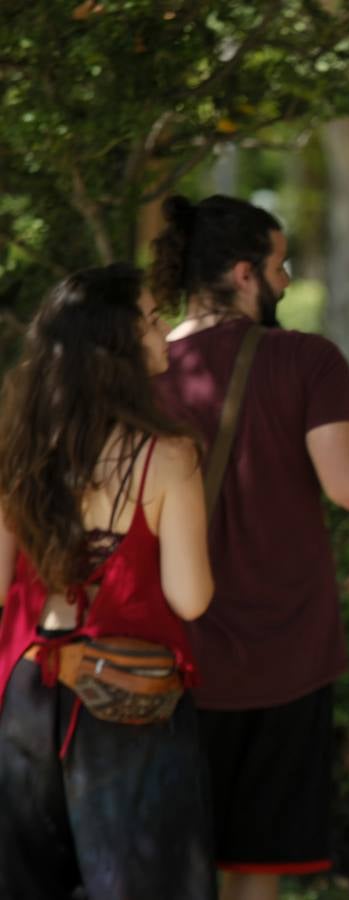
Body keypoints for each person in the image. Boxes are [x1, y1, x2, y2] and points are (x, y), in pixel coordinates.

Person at [150, 194, 349, 900]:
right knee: (257, 863)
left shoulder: (148, 369)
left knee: (173, 861)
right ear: (245, 273)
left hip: (168, 653)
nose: (285, 282)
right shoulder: (306, 360)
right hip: (285, 656)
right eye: (280, 266)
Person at [0, 264, 216, 899]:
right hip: (128, 702)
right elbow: (190, 597)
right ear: (117, 341)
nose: (166, 329)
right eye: (152, 318)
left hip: (27, 696)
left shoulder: (16, 443)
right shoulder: (168, 455)